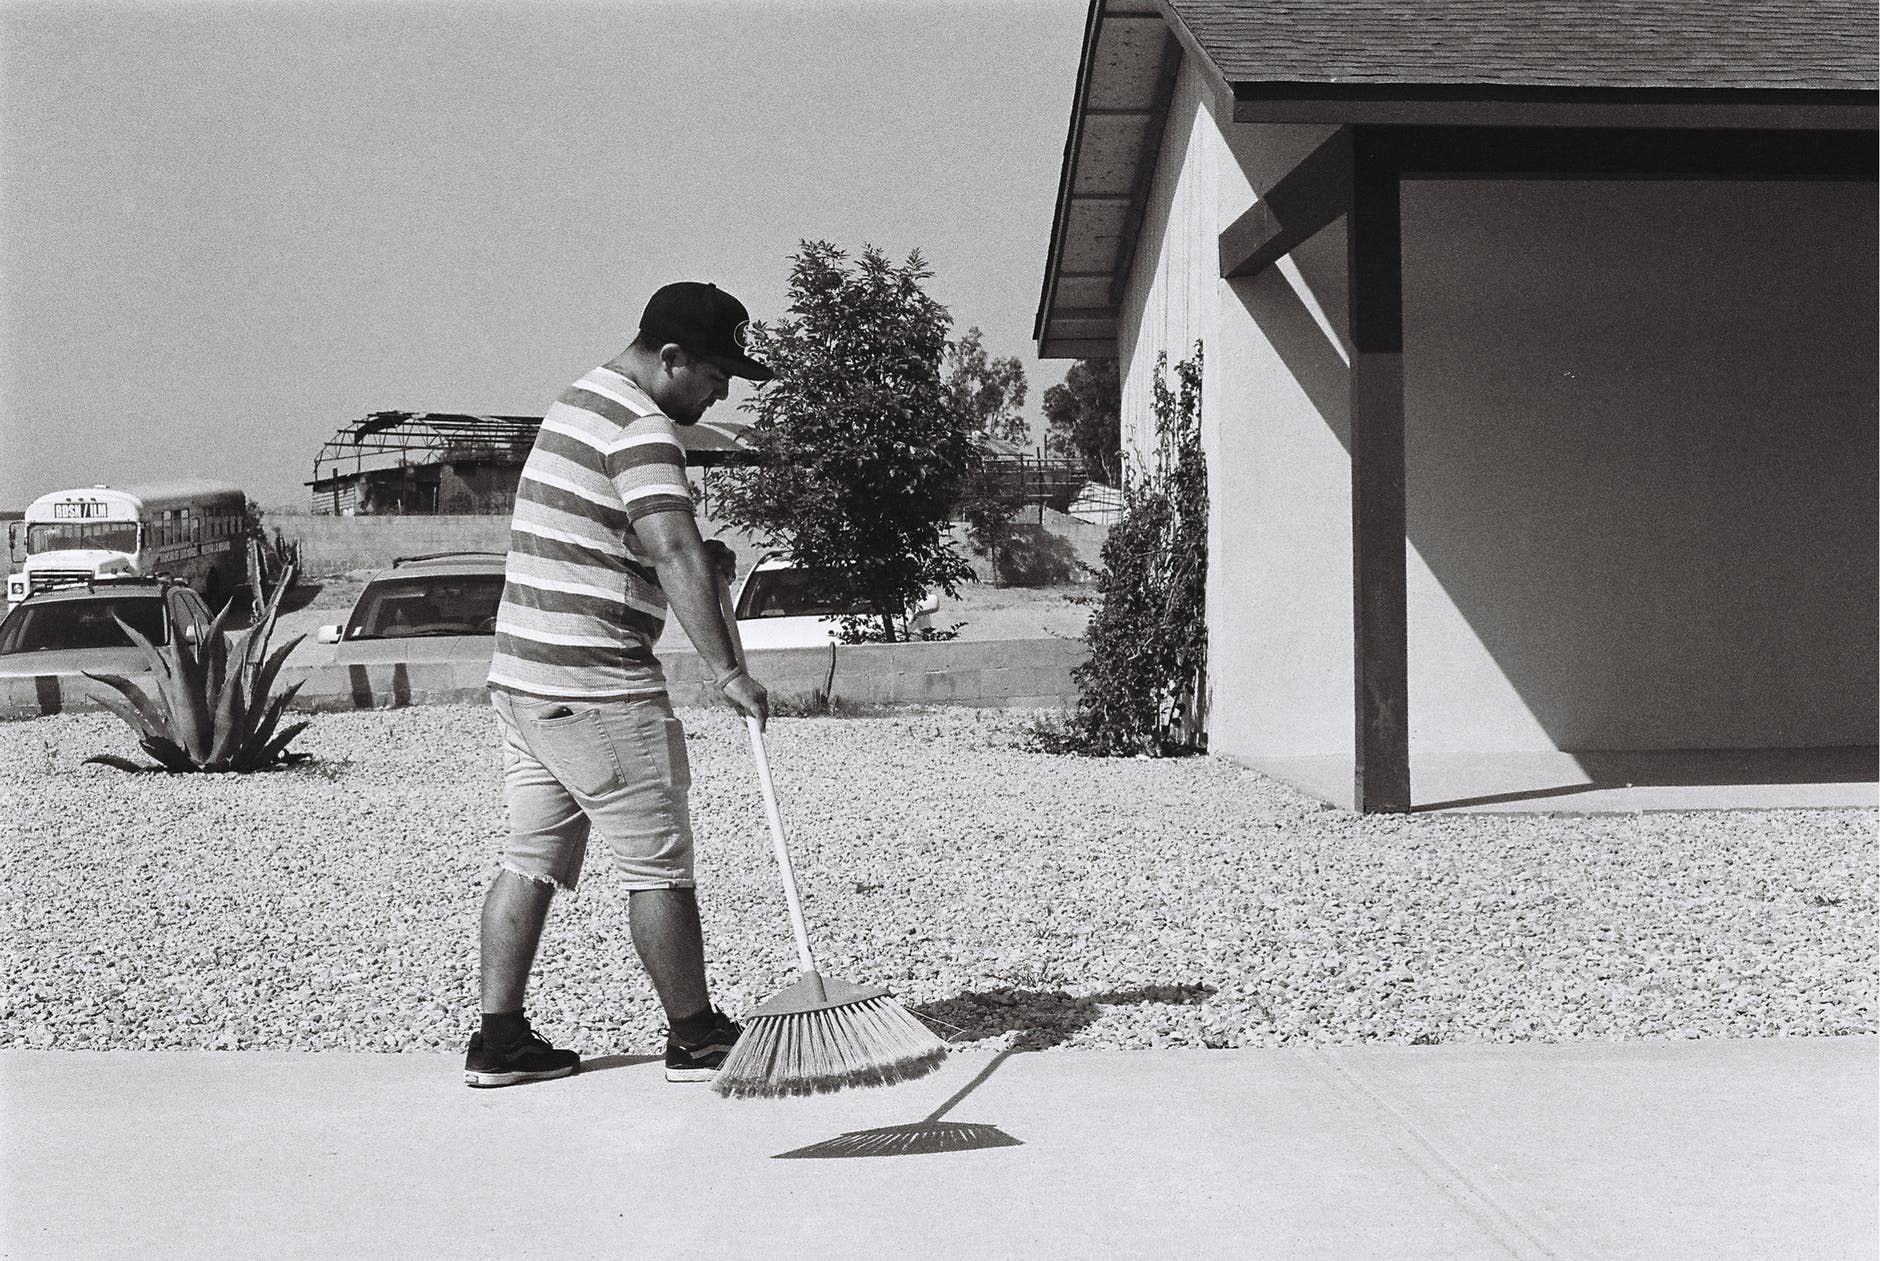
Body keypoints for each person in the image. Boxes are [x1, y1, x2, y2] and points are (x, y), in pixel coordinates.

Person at [465, 281, 772, 1089]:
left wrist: (698, 564)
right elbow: (671, 548)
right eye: (714, 372)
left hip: (524, 679)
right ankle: (696, 1035)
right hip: (597, 681)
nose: (723, 390)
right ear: (669, 358)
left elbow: (621, 541)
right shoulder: (643, 428)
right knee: (658, 862)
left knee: (530, 855)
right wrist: (728, 671)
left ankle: (498, 1040)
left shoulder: (577, 401)